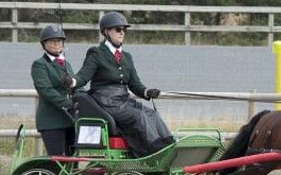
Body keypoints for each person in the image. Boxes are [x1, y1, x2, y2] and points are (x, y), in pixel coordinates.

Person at [61, 11, 174, 157]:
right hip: (106, 102)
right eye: (118, 29)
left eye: (124, 30)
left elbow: (135, 84)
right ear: (106, 32)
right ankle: (155, 151)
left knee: (151, 113)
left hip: (124, 100)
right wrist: (72, 81)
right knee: (139, 116)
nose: (122, 33)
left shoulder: (127, 57)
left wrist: (147, 92)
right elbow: (84, 75)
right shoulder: (96, 53)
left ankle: (169, 145)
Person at [31, 24, 76, 156]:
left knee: (73, 161)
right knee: (58, 160)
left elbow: (75, 86)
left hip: (70, 119)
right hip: (51, 121)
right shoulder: (40, 65)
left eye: (59, 40)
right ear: (44, 44)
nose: (56, 43)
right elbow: (46, 91)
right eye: (52, 41)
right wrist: (69, 104)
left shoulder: (66, 64)